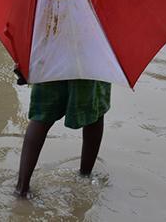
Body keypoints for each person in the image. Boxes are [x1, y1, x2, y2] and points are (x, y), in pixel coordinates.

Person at [14, 68, 111, 197]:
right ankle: (85, 177)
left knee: (41, 116)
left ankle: (22, 189)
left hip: (51, 58)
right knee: (95, 111)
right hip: (89, 61)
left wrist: (25, 64)